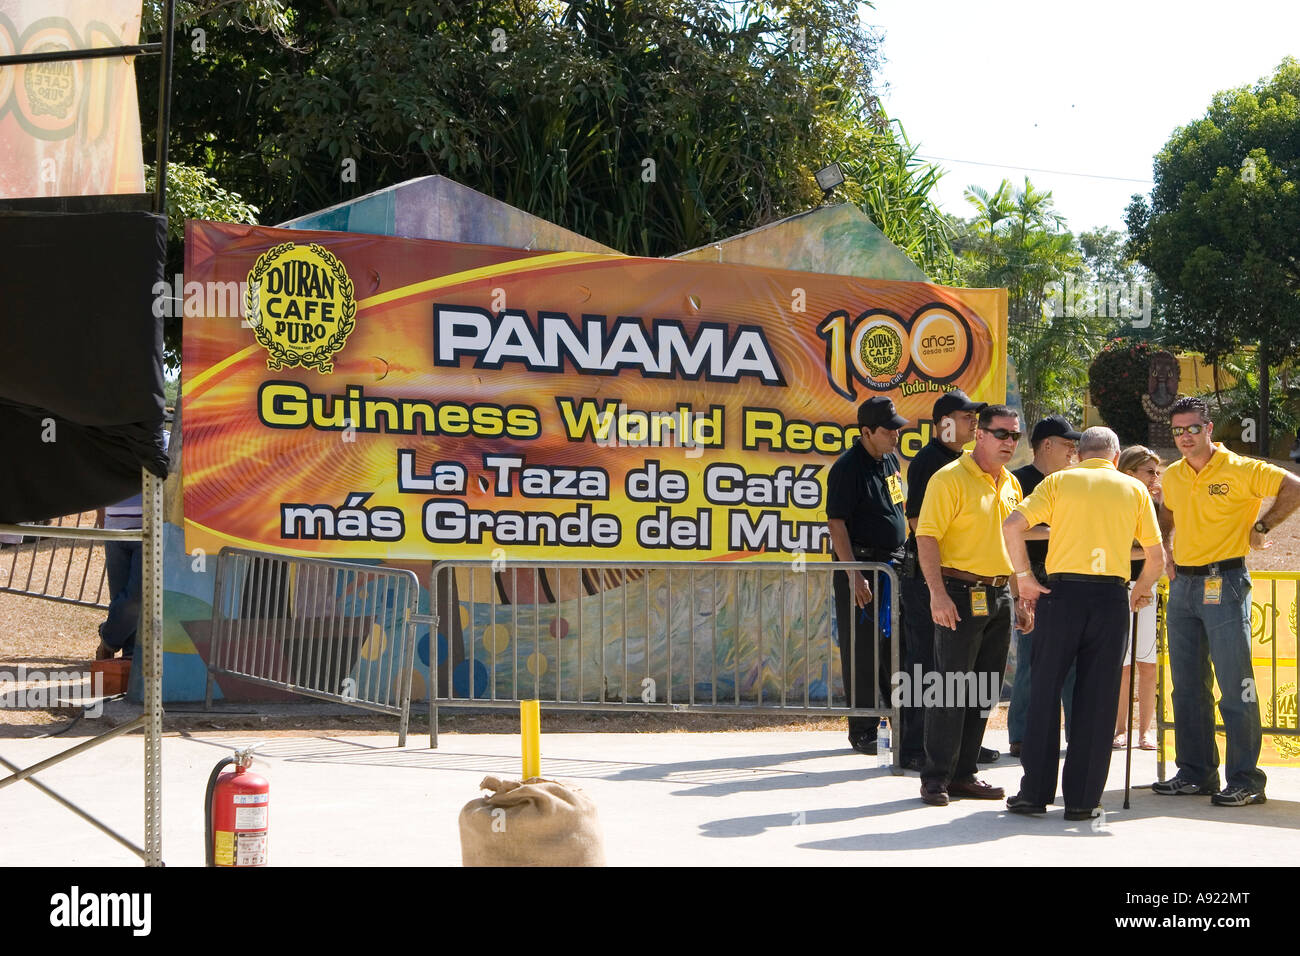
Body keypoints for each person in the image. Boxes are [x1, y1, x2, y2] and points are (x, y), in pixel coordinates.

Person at [1002, 427, 1164, 819]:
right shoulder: (1133, 488)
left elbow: (1011, 527)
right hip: (1110, 597)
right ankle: (1083, 800)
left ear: (1078, 454)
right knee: (1098, 699)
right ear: (1116, 454)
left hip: (1062, 596)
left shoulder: (1058, 481)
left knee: (1044, 693)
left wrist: (1024, 576)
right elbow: (1156, 557)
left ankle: (1033, 794)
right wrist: (1141, 589)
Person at [1153, 396, 1300, 806]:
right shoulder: (1175, 474)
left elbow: (1294, 488)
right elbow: (1167, 512)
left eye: (1192, 428)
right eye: (1178, 430)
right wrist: (1167, 549)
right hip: (1183, 587)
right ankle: (1196, 773)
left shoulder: (1242, 467)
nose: (1184, 436)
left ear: (1209, 429)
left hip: (1226, 581)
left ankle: (1246, 779)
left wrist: (1263, 524)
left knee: (1236, 686)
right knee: (1186, 687)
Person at [914, 404, 1032, 806]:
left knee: (982, 691)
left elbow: (1013, 546)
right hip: (960, 592)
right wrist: (937, 593)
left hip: (998, 594)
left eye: (1014, 435)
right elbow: (926, 537)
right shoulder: (949, 479)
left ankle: (964, 774)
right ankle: (935, 777)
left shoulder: (1013, 484)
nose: (1009, 442)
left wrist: (1020, 597)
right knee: (949, 688)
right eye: (1001, 434)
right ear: (979, 435)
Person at [898, 389, 1000, 771]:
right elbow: (918, 525)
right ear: (943, 423)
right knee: (925, 663)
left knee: (961, 670)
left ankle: (958, 748)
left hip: (951, 581)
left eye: (976, 416)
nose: (974, 422)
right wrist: (937, 585)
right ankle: (914, 746)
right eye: (966, 416)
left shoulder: (961, 461)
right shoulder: (930, 461)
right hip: (931, 579)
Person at [827, 396, 910, 755]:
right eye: (888, 429)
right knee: (861, 649)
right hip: (862, 569)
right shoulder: (847, 467)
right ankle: (862, 729)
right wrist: (853, 574)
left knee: (892, 649)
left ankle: (898, 722)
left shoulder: (889, 460)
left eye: (896, 428)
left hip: (890, 569)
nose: (896, 434)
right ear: (866, 431)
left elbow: (895, 506)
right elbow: (837, 524)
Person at [1006, 415, 1081, 757]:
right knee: (1032, 664)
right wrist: (1019, 592)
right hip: (1030, 577)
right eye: (1067, 444)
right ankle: (1022, 735)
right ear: (1046, 444)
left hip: (1069, 579)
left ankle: (1077, 734)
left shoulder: (1073, 482)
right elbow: (1008, 529)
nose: (1073, 452)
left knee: (1073, 665)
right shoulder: (1017, 482)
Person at [1115, 446, 1164, 750]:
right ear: (1130, 472)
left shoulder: (1159, 504)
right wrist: (1140, 551)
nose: (1155, 478)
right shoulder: (1115, 500)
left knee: (1147, 662)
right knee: (1123, 664)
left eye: (1157, 473)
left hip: (1149, 586)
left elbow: (1161, 551)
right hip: (1118, 584)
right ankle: (1120, 728)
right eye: (1149, 472)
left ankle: (1145, 730)